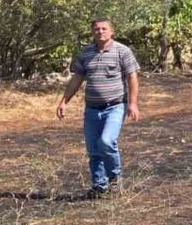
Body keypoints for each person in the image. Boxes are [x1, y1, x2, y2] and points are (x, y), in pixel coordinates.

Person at [56, 18, 142, 197]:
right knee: (94, 150)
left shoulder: (122, 51)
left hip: (115, 107)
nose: (100, 32)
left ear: (112, 32)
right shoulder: (86, 54)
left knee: (106, 142)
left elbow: (132, 77)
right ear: (92, 33)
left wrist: (133, 103)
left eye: (104, 29)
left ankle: (115, 179)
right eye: (96, 29)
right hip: (92, 110)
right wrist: (64, 101)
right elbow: (77, 79)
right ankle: (99, 186)